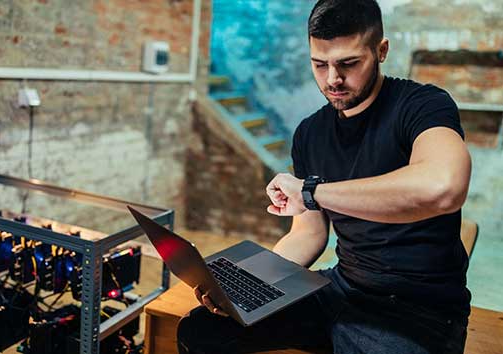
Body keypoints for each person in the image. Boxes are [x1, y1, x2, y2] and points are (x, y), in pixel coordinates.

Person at [177, 0, 472, 353]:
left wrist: (313, 192)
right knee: (201, 331)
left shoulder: (423, 105)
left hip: (417, 309)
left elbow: (442, 188)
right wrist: (249, 285)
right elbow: (309, 233)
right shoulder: (310, 133)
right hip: (341, 288)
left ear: (381, 50)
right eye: (320, 64)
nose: (333, 79)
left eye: (348, 63)